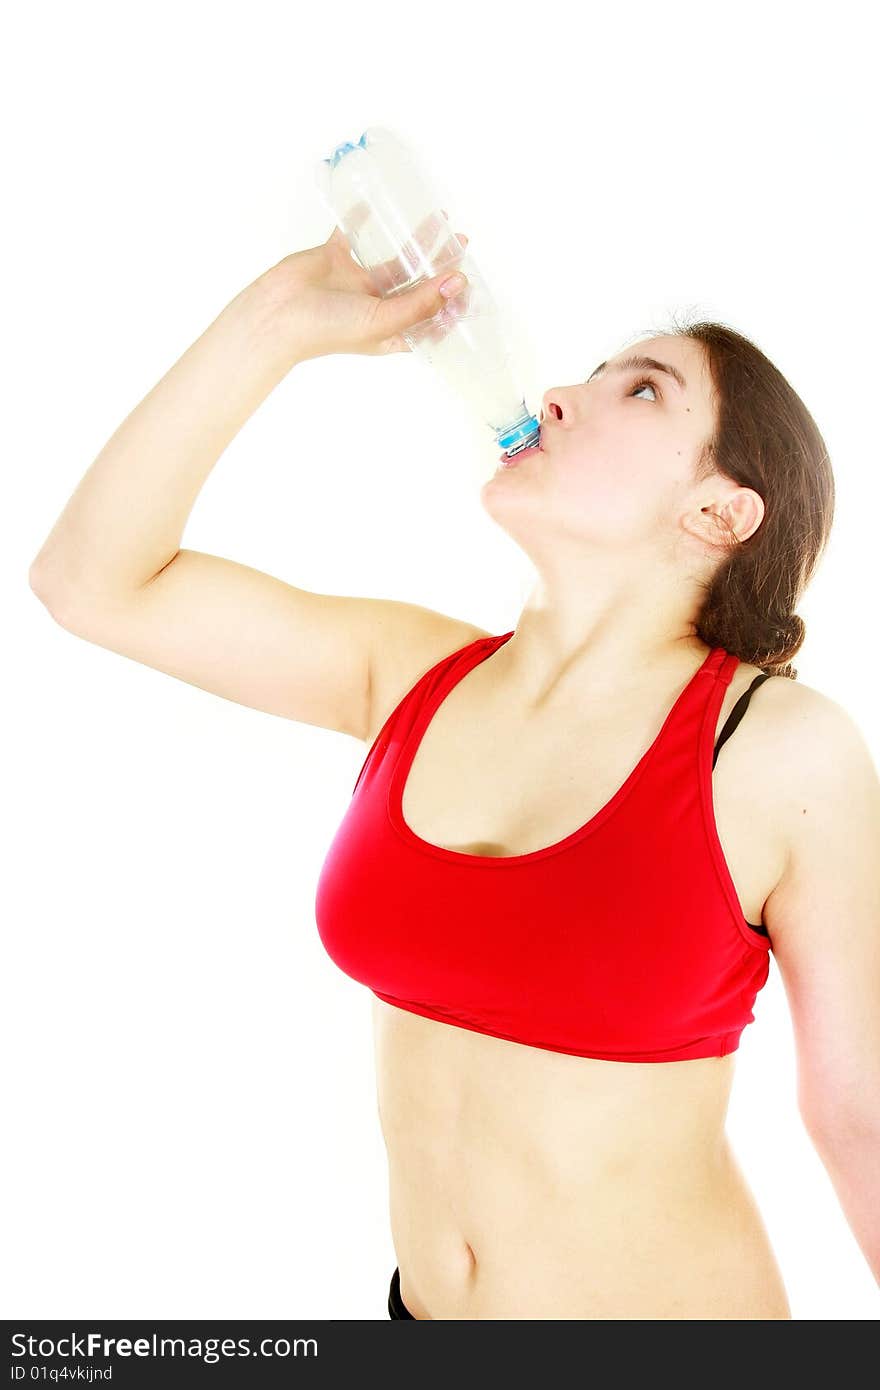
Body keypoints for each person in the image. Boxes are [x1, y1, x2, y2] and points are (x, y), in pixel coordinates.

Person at [29, 221, 880, 1320]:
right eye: (588, 374)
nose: (563, 394)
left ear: (720, 510)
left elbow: (857, 1110)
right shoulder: (410, 675)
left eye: (642, 392)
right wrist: (280, 316)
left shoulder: (773, 746)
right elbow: (88, 582)